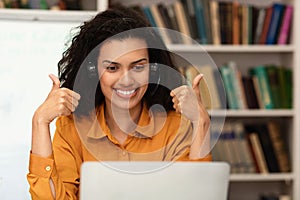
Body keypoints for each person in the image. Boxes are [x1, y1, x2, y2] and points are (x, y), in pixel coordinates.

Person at [27, 5, 211, 199]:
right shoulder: (71, 127)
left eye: (138, 67)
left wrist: (201, 122)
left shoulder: (174, 126)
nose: (126, 80)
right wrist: (39, 122)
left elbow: (194, 195)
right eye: (113, 68)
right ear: (93, 71)